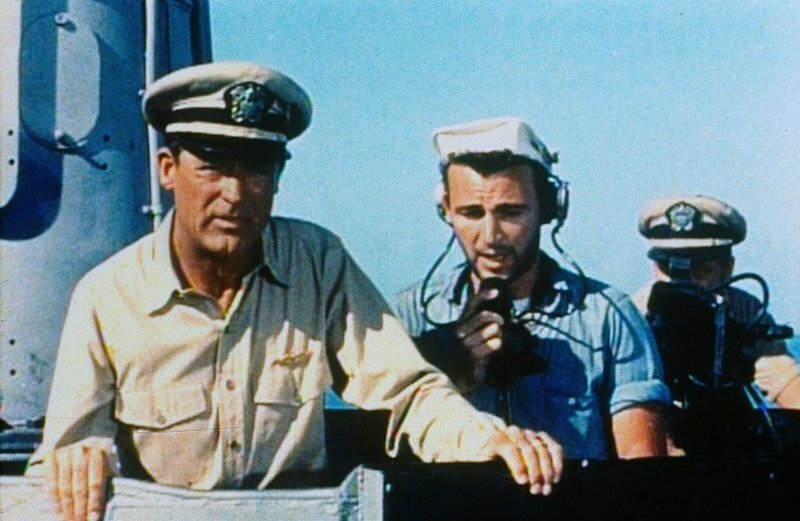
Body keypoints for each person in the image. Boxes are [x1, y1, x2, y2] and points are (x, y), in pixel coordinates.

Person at [26, 64, 563, 521]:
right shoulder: (108, 297)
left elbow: (408, 391)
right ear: (168, 170)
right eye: (212, 166)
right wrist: (80, 460)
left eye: (257, 169)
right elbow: (66, 461)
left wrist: (487, 440)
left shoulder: (317, 264)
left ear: (279, 176)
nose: (235, 194)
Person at [394, 117, 670, 461]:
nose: (490, 237)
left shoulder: (609, 317)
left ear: (548, 208)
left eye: (511, 213)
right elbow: (382, 447)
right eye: (471, 213)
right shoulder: (411, 316)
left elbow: (641, 463)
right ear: (446, 210)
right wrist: (451, 377)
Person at [634, 195, 799, 410]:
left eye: (700, 270)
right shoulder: (632, 315)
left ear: (727, 269)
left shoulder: (742, 310)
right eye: (670, 269)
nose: (684, 281)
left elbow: (783, 378)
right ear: (654, 267)